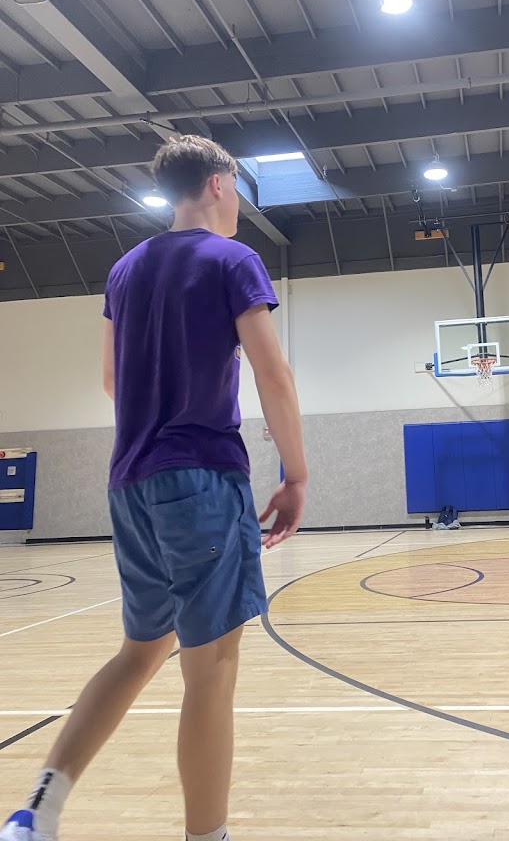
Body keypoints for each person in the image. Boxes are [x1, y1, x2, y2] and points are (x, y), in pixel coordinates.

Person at [1, 136, 308, 841]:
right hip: (201, 477)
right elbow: (273, 374)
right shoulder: (233, 258)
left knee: (139, 652)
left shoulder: (125, 268)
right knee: (211, 670)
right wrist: (295, 474)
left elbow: (112, 381)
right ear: (220, 184)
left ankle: (35, 813)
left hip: (130, 482)